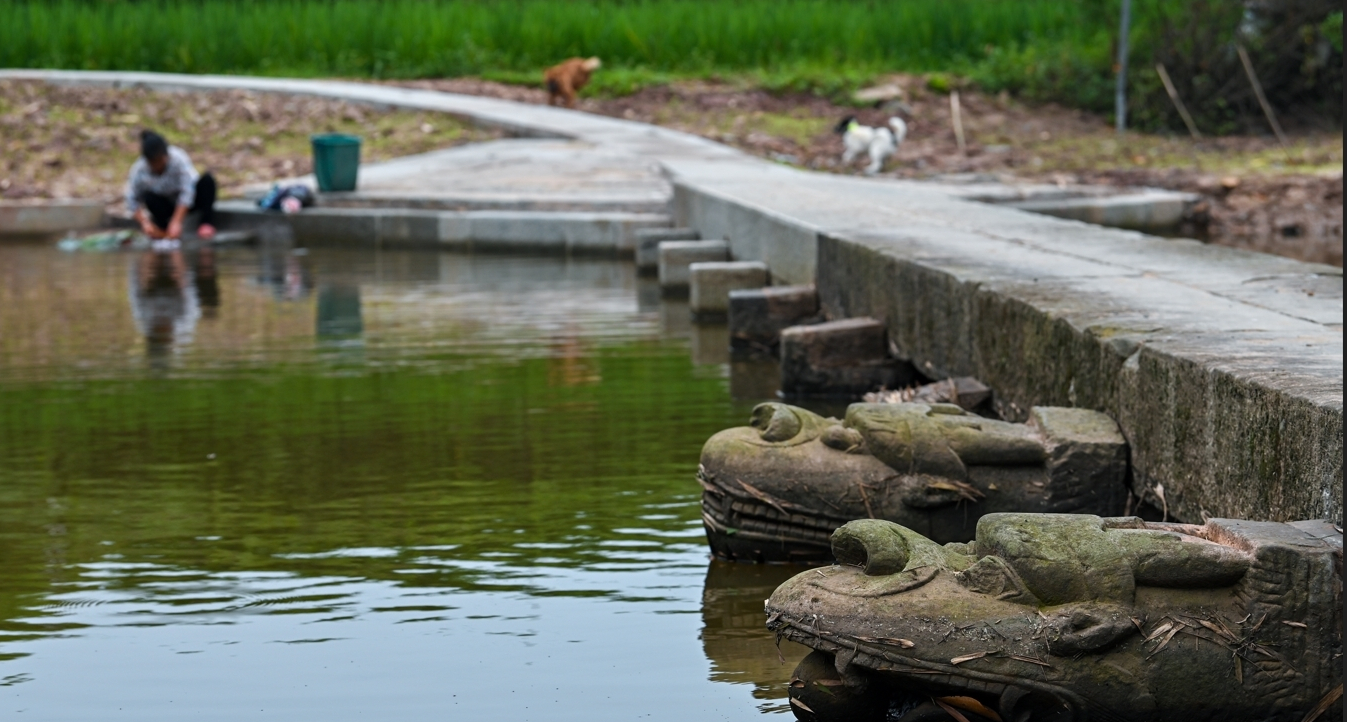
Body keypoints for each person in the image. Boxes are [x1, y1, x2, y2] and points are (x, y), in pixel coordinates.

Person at [124, 130, 217, 246]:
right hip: (166, 205)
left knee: (208, 181)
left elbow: (187, 190)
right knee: (149, 197)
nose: (158, 166)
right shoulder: (139, 169)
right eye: (154, 163)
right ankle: (162, 229)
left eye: (160, 160)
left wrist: (177, 221)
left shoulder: (178, 158)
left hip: (189, 202)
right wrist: (145, 223)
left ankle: (206, 224)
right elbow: (131, 200)